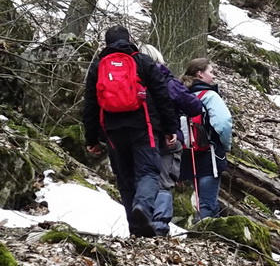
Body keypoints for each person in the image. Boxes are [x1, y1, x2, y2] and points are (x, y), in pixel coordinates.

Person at [82, 26, 178, 237]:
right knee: (148, 172)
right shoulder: (143, 62)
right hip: (143, 127)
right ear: (129, 40)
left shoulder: (98, 67)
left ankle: (136, 229)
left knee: (125, 178)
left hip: (112, 131)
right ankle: (142, 207)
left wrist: (91, 138)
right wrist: (171, 128)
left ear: (106, 44)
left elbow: (90, 104)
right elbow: (162, 96)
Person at [139, 45, 203, 236]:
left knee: (142, 178)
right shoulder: (167, 81)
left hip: (140, 137)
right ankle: (159, 226)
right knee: (164, 182)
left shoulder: (134, 80)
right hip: (168, 138)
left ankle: (140, 222)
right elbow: (193, 106)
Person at [179, 58, 233, 220]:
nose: (214, 76)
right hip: (210, 155)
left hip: (186, 155)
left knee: (193, 200)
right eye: (211, 72)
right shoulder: (210, 96)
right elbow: (223, 123)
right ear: (200, 74)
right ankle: (200, 235)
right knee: (207, 203)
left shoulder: (181, 94)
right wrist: (225, 145)